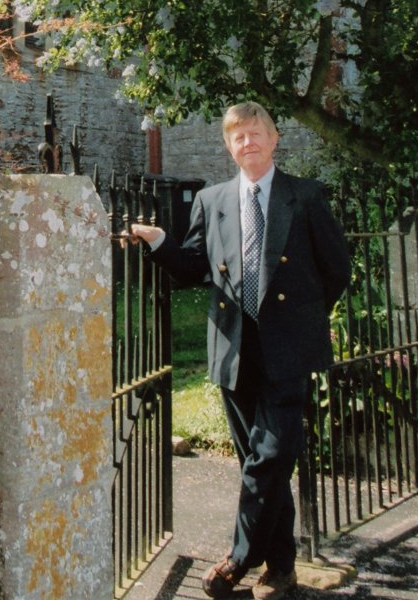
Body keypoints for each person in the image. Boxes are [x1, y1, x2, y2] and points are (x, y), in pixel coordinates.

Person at [129, 101, 350, 600]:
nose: (247, 143)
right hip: (233, 350)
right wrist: (157, 239)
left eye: (256, 134)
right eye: (238, 137)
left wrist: (299, 321)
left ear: (274, 140)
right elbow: (191, 267)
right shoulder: (212, 200)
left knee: (270, 458)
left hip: (288, 350)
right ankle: (281, 568)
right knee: (261, 461)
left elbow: (336, 270)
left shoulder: (306, 196)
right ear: (228, 146)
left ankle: (237, 559)